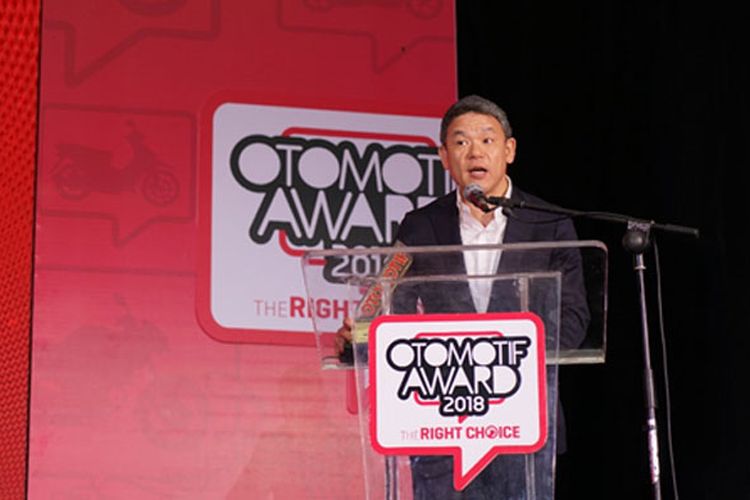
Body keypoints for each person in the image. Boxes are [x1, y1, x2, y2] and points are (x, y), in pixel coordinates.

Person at [336, 94, 590, 499]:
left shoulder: (550, 224)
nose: (475, 152)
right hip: (440, 423)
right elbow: (387, 307)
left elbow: (573, 319)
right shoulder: (420, 228)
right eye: (460, 142)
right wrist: (360, 337)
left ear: (509, 150)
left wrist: (503, 356)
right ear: (444, 156)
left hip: (521, 423)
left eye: (487, 140)